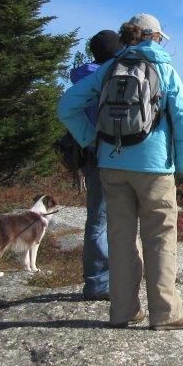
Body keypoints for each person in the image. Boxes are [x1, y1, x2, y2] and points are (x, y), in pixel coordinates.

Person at [58, 13, 183, 331]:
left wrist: (92, 139)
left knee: (120, 237)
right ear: (155, 38)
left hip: (111, 164)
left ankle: (123, 311)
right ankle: (165, 313)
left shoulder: (108, 69)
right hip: (154, 167)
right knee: (160, 237)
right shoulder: (164, 69)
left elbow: (66, 107)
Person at [69, 29, 123, 301]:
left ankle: (95, 281)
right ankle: (106, 283)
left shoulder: (81, 77)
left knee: (96, 220)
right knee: (114, 220)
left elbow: (69, 110)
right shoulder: (111, 75)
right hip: (116, 153)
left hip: (91, 154)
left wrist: (87, 138)